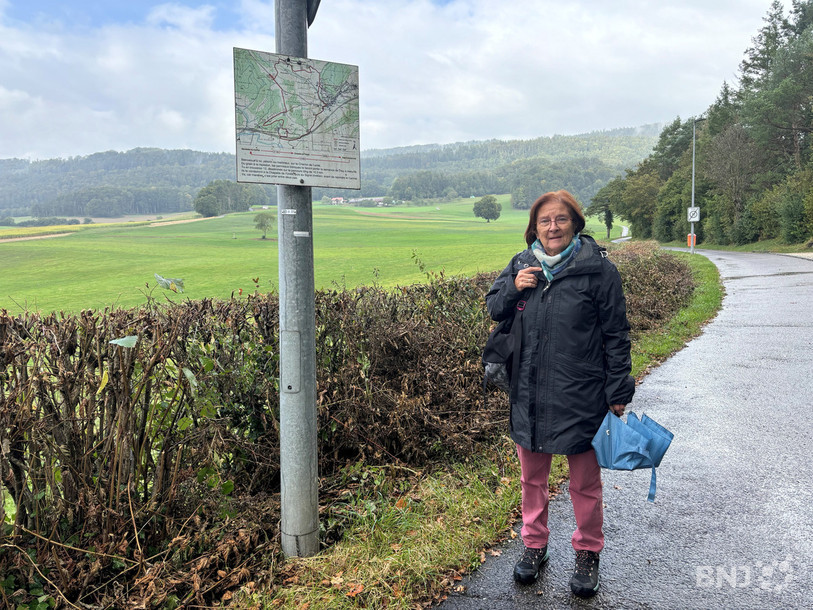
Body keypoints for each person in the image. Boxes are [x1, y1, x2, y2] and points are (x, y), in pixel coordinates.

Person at [485, 189, 635, 597]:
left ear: (575, 224)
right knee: (532, 479)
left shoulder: (598, 271)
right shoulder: (522, 264)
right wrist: (515, 287)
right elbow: (494, 307)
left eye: (561, 220)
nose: (552, 227)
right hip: (529, 392)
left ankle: (588, 552)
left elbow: (616, 334)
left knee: (584, 483)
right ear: (534, 228)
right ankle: (535, 545)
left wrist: (619, 388)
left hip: (582, 393)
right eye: (545, 221)